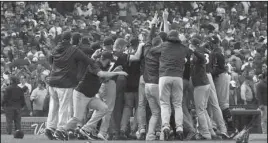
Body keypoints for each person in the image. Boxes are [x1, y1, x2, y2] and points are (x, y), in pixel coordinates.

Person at [54, 51, 128, 141]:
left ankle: (86, 129)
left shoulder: (102, 66)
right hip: (81, 94)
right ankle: (60, 130)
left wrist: (115, 71)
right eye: (109, 60)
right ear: (106, 59)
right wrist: (118, 73)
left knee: (104, 108)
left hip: (91, 96)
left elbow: (105, 78)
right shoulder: (95, 64)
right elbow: (102, 74)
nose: (110, 63)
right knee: (77, 117)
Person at [45, 31, 102, 140]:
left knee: (53, 106)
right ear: (71, 39)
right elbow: (87, 60)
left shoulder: (57, 48)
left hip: (52, 81)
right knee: (64, 107)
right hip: (65, 82)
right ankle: (60, 130)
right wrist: (94, 57)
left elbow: (50, 60)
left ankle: (50, 127)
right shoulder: (73, 49)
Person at [158, 29, 188, 141]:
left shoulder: (164, 45)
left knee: (165, 103)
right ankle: (179, 128)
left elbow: (152, 50)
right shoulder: (183, 47)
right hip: (178, 77)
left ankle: (166, 126)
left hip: (164, 76)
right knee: (178, 104)